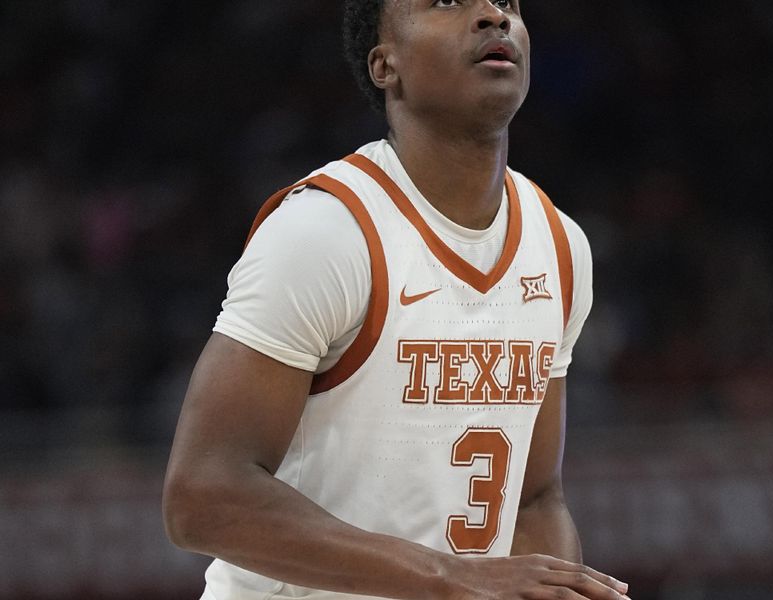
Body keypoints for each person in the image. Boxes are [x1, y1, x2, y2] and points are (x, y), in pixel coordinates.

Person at [163, 1, 630, 599]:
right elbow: (201, 498)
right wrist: (449, 577)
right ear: (386, 65)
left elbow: (534, 498)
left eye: (507, 2)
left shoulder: (561, 246)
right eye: (445, 1)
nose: (493, 15)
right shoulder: (327, 231)